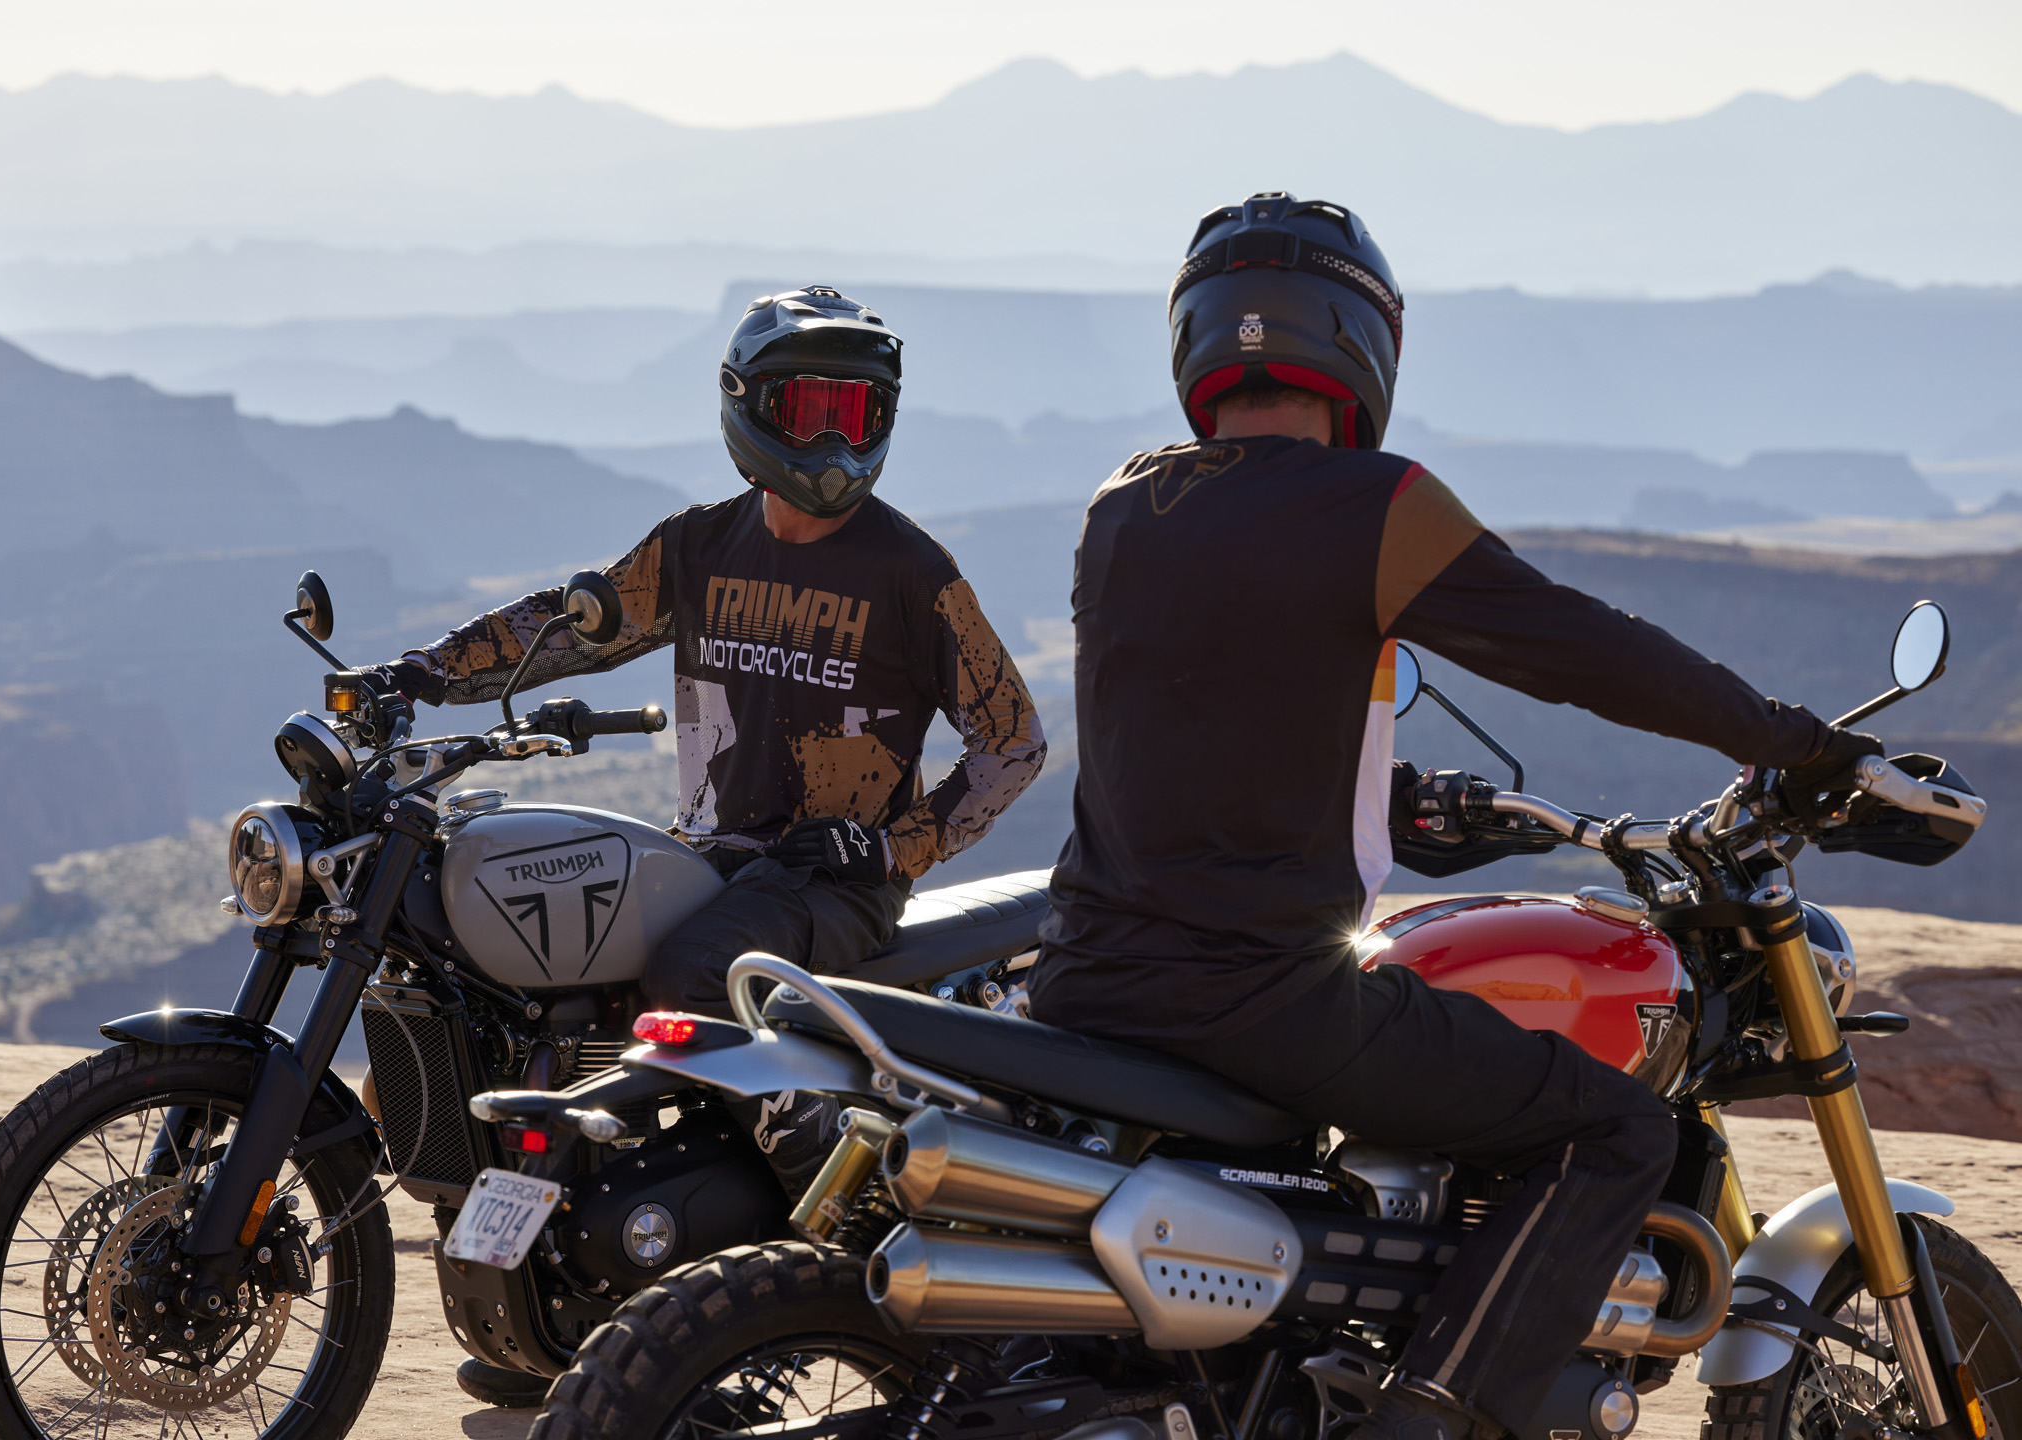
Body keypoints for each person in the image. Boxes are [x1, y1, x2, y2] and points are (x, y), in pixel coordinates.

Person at [1029, 194, 1880, 1440]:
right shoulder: (1371, 503)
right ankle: (1434, 1410)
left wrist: (1385, 805)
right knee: (1614, 1125)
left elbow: (1195, 720)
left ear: (1196, 343)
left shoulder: (1123, 506)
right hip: (1262, 999)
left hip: (1085, 979)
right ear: (1359, 341)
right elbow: (1584, 649)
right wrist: (1792, 746)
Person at [386, 285, 1045, 1406]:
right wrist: (419, 673)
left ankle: (841, 1249)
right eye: (808, 408)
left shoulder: (911, 570)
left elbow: (1013, 741)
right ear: (748, 411)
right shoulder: (695, 548)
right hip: (716, 860)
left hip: (829, 885)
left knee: (691, 974)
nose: (834, 438)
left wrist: (900, 854)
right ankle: (572, 1307)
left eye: (857, 408)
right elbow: (575, 624)